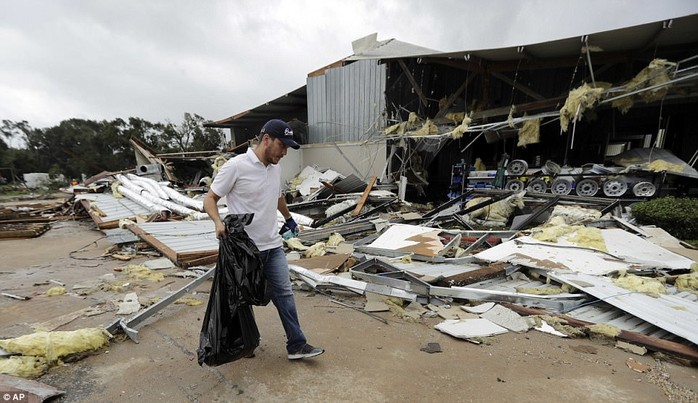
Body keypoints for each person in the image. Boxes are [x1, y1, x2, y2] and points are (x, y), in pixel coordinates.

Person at [203, 119, 324, 360]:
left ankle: (297, 345)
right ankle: (245, 342)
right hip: (244, 249)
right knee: (242, 297)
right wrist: (218, 222)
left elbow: (277, 196)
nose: (285, 152)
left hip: (272, 245)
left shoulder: (275, 167)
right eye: (282, 145)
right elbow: (210, 199)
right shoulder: (236, 166)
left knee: (284, 294)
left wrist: (288, 218)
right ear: (266, 139)